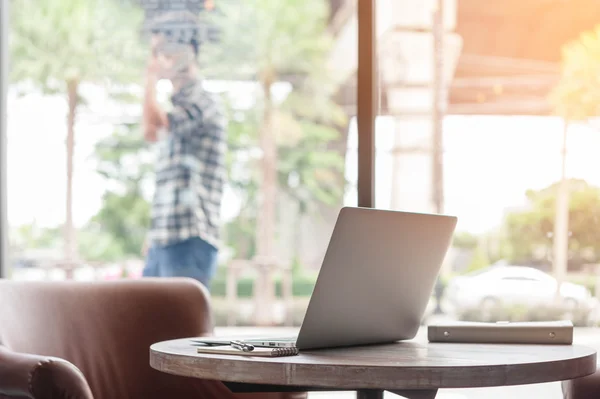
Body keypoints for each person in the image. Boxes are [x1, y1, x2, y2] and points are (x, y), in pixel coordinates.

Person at [141, 11, 226, 290]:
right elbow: (150, 132)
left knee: (183, 331)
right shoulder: (177, 105)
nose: (157, 58)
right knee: (148, 329)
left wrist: (150, 76)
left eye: (163, 49)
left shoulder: (204, 102)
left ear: (187, 51)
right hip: (164, 238)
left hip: (191, 238)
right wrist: (154, 237)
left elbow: (156, 122)